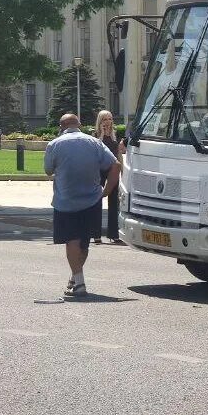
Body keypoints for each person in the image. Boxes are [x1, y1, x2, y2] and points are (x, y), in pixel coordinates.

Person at [44, 113, 120, 298]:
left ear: (61, 127)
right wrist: (106, 191)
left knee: (72, 240)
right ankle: (75, 279)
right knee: (84, 243)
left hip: (66, 201)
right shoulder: (94, 143)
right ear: (79, 125)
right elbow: (116, 165)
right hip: (92, 200)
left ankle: (79, 283)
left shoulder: (54, 144)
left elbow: (48, 170)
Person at [93, 110, 125, 245]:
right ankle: (96, 234)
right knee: (97, 201)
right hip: (99, 170)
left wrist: (122, 171)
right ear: (100, 121)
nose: (108, 122)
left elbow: (118, 154)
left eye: (110, 119)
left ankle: (114, 233)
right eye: (105, 119)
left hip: (112, 170)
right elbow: (96, 150)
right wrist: (101, 133)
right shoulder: (95, 135)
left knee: (114, 202)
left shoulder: (115, 135)